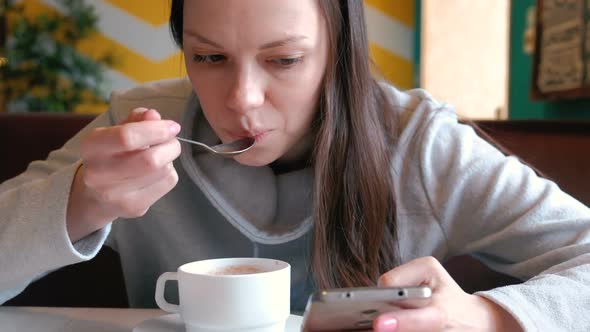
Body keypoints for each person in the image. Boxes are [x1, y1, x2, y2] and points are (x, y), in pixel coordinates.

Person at [1, 0, 589, 331]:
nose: (241, 100)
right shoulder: (137, 125)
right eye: (209, 57)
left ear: (340, 53)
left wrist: (489, 317)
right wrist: (79, 201)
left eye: (283, 60)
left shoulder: (420, 144)